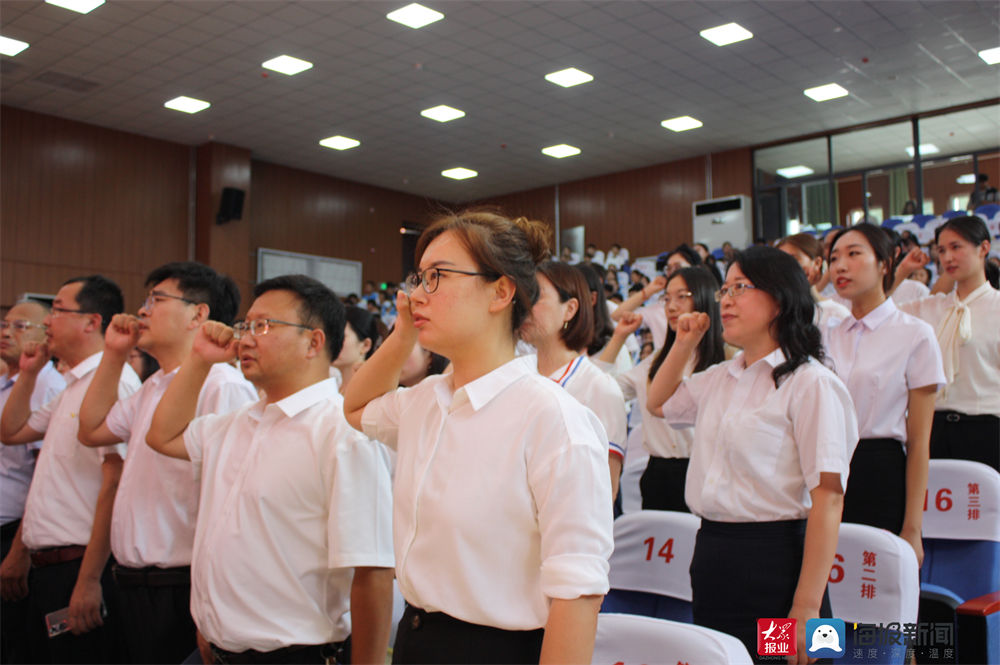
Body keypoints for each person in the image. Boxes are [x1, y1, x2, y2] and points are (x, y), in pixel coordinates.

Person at [343, 210, 613, 664]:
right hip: (419, 636)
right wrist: (404, 331)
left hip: (497, 649)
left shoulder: (554, 417)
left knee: (766, 644)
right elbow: (354, 408)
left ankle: (780, 647)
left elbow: (577, 594)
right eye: (418, 277)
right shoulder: (426, 398)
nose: (415, 294)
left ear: (501, 292)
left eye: (437, 277)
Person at [144, 275, 394, 665]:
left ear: (313, 342)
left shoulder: (342, 432)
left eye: (263, 326)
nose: (245, 339)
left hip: (293, 655)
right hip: (216, 648)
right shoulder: (238, 421)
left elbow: (373, 570)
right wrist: (200, 359)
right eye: (245, 325)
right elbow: (161, 437)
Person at [646, 247, 857, 663]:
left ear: (779, 298)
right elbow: (658, 403)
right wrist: (685, 342)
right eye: (723, 289)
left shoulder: (812, 383)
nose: (724, 300)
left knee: (785, 660)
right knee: (722, 656)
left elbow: (829, 498)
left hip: (778, 564)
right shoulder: (721, 378)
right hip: (714, 555)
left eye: (739, 287)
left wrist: (807, 607)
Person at [75, 262, 257, 664]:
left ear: (199, 314)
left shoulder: (223, 385)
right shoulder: (153, 385)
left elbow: (232, 500)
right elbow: (90, 430)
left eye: (156, 300)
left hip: (180, 583)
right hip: (133, 582)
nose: (142, 311)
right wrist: (114, 353)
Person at [0, 275, 141, 663]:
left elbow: (114, 483)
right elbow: (11, 431)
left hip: (79, 565)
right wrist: (28, 374)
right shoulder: (73, 383)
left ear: (92, 322)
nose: (47, 320)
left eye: (58, 310)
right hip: (48, 564)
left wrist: (89, 580)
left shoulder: (112, 383)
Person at [825, 224, 944, 562]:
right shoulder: (825, 334)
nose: (840, 266)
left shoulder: (915, 334)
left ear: (884, 264)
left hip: (879, 471)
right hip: (826, 467)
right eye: (834, 258)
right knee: (824, 599)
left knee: (875, 594)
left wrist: (913, 528)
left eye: (853, 254)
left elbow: (920, 441)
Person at [603, 267, 725, 512]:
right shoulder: (656, 360)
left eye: (682, 296)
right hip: (658, 474)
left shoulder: (726, 361)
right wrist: (618, 338)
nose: (671, 306)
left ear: (703, 296)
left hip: (706, 472)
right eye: (667, 298)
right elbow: (603, 389)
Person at [895, 216, 999, 471]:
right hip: (933, 428)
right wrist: (903, 270)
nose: (948, 257)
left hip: (987, 429)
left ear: (983, 248)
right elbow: (876, 312)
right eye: (941, 250)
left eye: (956, 247)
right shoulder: (931, 307)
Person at [521, 261, 628, 500]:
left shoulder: (599, 388)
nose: (525, 307)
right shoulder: (520, 377)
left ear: (570, 309)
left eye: (536, 296)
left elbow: (605, 491)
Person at [0, 301, 67, 664]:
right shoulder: (10, 383)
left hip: (14, 533)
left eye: (21, 325)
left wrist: (18, 550)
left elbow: (42, 476)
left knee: (15, 644)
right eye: (5, 324)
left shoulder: (49, 385)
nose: (7, 332)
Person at [776, 233, 851, 331]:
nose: (785, 267)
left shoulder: (836, 314)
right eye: (779, 262)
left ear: (817, 263)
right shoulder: (774, 313)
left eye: (793, 259)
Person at [333, 305, 382, 391]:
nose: (331, 342)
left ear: (365, 345)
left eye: (340, 336)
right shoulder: (331, 383)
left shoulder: (372, 391)